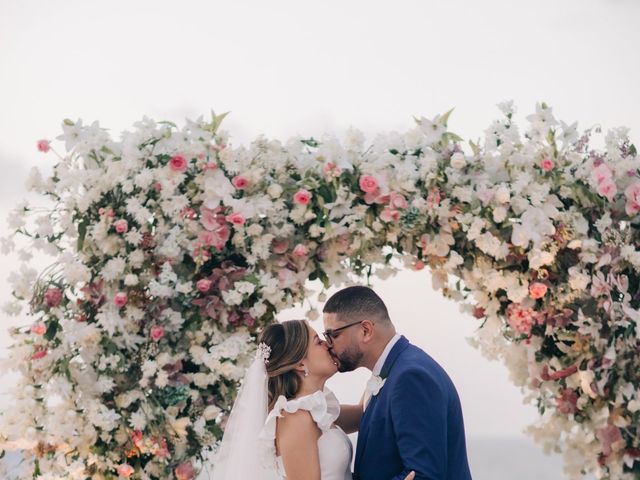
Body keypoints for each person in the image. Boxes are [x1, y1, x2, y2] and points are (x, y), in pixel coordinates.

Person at [209, 318, 415, 480]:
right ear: (300, 364)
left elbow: (364, 413)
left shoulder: (317, 408)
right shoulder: (294, 418)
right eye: (318, 341)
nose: (327, 344)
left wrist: (379, 358)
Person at [323, 286, 473, 480]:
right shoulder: (394, 369)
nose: (328, 345)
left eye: (332, 335)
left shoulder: (410, 377)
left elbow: (423, 475)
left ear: (366, 330)